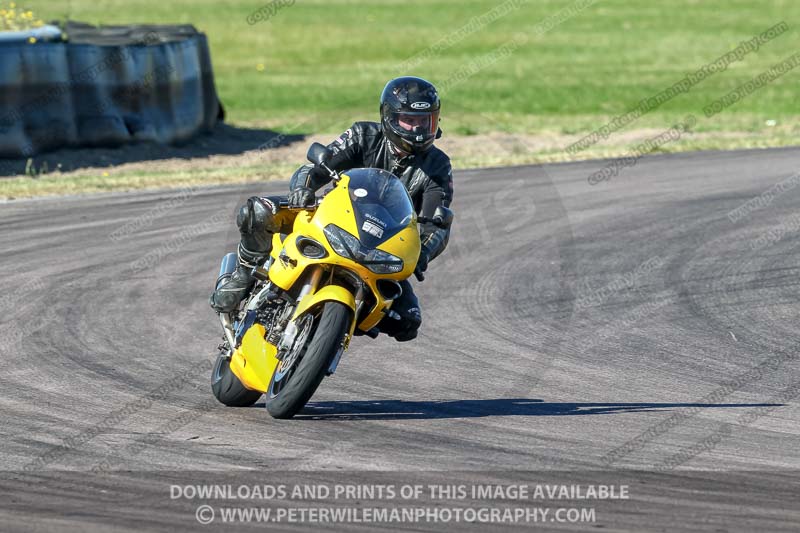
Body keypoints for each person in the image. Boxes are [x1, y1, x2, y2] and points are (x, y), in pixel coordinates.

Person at [210, 76, 453, 341]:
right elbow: (314, 168)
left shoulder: (438, 165)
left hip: (382, 246)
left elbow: (436, 222)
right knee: (258, 211)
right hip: (329, 216)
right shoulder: (363, 135)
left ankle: (334, 328)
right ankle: (243, 275)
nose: (418, 129)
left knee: (407, 321)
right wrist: (303, 188)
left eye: (424, 121)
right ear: (390, 118)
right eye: (410, 120)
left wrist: (424, 253)